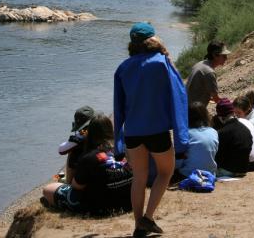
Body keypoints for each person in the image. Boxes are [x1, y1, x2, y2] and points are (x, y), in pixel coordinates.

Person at [113, 22, 189, 237]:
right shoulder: (162, 63)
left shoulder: (123, 68)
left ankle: (139, 224)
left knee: (139, 176)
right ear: (153, 39)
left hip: (132, 133)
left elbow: (118, 109)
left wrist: (117, 143)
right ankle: (148, 218)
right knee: (166, 172)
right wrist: (182, 138)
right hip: (157, 131)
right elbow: (179, 98)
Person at [42, 113, 133, 215]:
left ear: (90, 134)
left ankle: (58, 204)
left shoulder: (89, 158)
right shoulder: (123, 149)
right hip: (127, 203)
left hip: (101, 209)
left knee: (47, 189)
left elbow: (76, 187)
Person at [174, 102, 219, 181]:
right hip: (210, 174)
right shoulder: (213, 132)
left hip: (188, 175)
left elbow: (178, 161)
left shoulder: (186, 134)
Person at [214, 99, 253, 177]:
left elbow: (218, 157)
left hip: (228, 171)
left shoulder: (223, 132)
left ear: (220, 117)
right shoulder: (245, 128)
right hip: (243, 170)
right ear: (233, 112)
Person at [57, 105, 96, 184]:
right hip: (100, 166)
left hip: (86, 170)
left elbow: (61, 150)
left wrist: (77, 137)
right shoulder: (103, 130)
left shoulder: (80, 137)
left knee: (72, 151)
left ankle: (69, 181)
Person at [186, 41, 230, 105]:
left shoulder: (200, 64)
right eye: (224, 56)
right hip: (194, 110)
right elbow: (216, 99)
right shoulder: (209, 72)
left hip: (186, 105)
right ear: (215, 55)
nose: (226, 58)